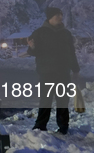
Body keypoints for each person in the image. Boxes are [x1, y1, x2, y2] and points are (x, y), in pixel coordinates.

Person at [28, 7, 80, 135]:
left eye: (61, 15)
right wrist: (32, 47)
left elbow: (71, 53)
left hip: (63, 73)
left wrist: (75, 69)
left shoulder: (66, 34)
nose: (60, 18)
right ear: (50, 18)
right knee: (46, 100)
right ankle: (40, 126)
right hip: (46, 73)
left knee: (63, 100)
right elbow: (33, 51)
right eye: (57, 16)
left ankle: (63, 127)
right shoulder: (39, 33)